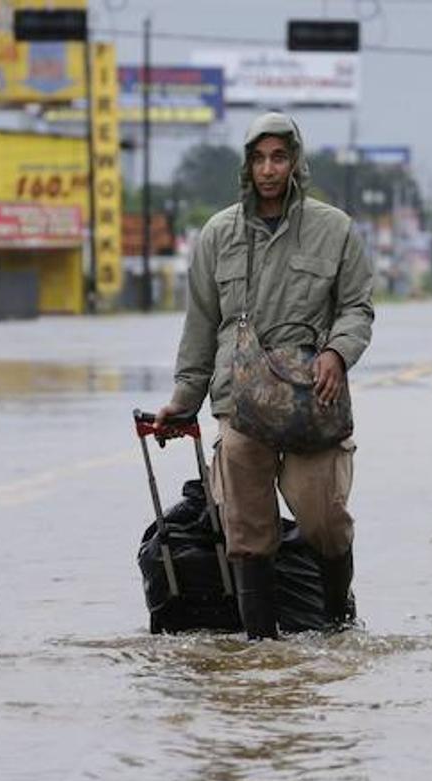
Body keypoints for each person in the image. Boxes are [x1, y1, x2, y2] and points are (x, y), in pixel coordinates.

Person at [155, 112, 375, 639]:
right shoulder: (219, 234)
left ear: (296, 162)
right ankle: (261, 650)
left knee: (324, 522)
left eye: (279, 157)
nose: (269, 169)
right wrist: (183, 400)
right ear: (247, 166)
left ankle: (337, 627)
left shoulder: (334, 229)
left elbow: (357, 308)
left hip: (311, 402)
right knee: (247, 533)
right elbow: (202, 324)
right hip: (240, 405)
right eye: (259, 158)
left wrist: (337, 354)